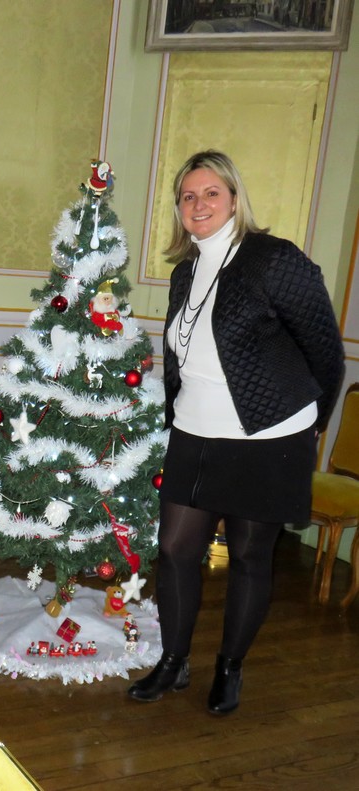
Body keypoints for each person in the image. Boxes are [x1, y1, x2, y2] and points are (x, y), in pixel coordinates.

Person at [127, 150, 344, 714]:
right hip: (194, 430)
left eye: (211, 193)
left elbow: (325, 352)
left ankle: (230, 667)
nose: (198, 205)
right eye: (188, 196)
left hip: (268, 435)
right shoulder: (186, 270)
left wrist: (310, 423)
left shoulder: (273, 260)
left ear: (233, 198)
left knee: (250, 555)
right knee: (175, 549)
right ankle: (173, 661)